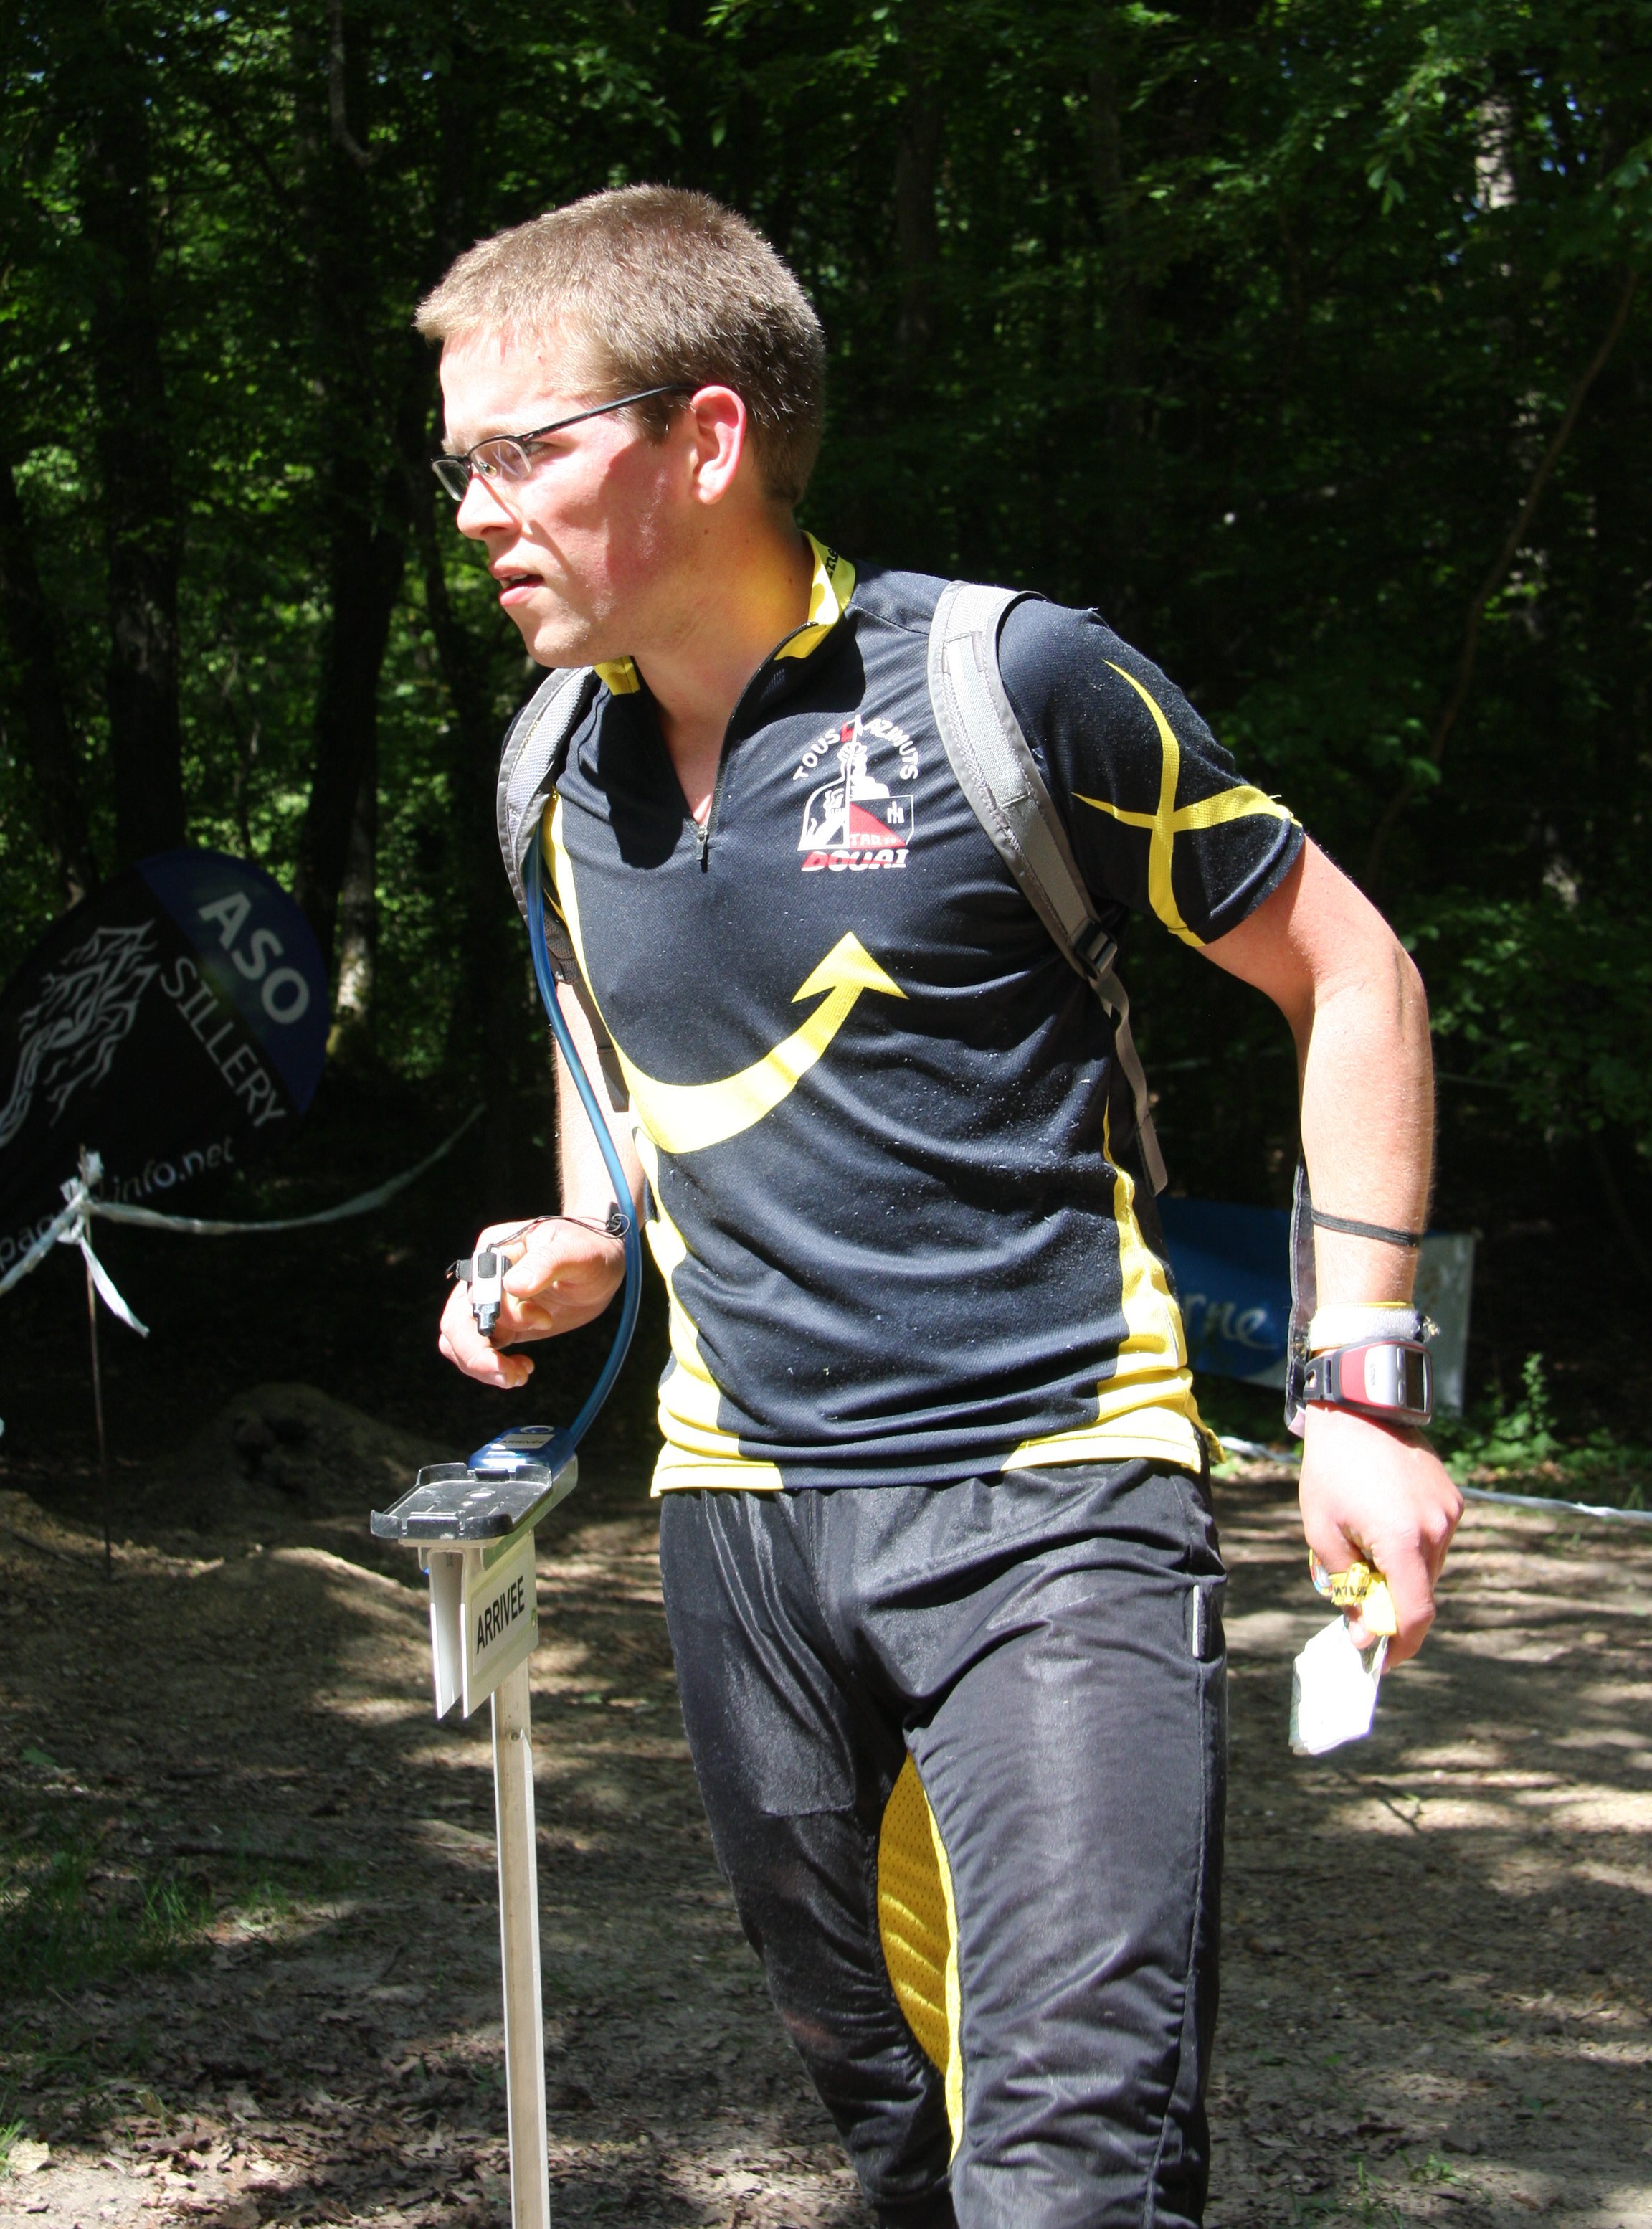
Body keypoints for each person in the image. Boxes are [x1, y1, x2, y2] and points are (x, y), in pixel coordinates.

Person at [422, 186, 1461, 2228]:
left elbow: (1357, 977)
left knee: (1070, 2172)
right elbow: (610, 1119)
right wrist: (565, 1253)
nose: (474, 510)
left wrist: (1360, 1391)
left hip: (1052, 1504)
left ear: (706, 439)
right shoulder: (551, 767)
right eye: (456, 463)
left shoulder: (1010, 681)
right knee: (908, 2149)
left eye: (520, 451)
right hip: (739, 1529)